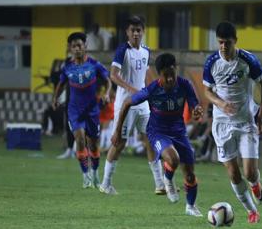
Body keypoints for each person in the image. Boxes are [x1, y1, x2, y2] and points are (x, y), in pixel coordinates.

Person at [111, 53, 204, 217]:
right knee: (173, 159)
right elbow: (126, 103)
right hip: (157, 132)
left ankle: (190, 207)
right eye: (165, 75)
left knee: (189, 173)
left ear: (176, 70)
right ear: (159, 74)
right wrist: (118, 130)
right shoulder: (152, 89)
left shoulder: (185, 85)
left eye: (172, 74)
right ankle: (167, 179)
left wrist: (197, 110)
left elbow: (194, 104)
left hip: (179, 133)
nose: (169, 79)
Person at [202, 21, 262, 224]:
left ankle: (255, 183)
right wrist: (220, 103)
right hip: (222, 124)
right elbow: (207, 91)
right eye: (220, 42)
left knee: (249, 172)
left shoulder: (248, 60)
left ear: (235, 41)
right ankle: (251, 210)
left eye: (227, 43)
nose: (223, 46)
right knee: (233, 172)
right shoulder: (212, 62)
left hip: (247, 120)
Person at [99, 15, 165, 195]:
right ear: (127, 32)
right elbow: (113, 75)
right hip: (125, 103)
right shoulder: (122, 50)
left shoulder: (146, 51)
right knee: (119, 143)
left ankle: (160, 184)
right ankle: (106, 184)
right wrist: (132, 89)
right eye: (132, 30)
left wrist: (152, 90)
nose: (136, 33)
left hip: (142, 104)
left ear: (143, 32)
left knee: (151, 140)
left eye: (139, 30)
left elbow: (145, 74)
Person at [52, 32, 112, 188]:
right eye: (74, 46)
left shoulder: (95, 64)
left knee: (93, 144)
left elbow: (107, 80)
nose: (77, 49)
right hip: (74, 110)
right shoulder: (67, 68)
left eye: (79, 45)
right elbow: (61, 85)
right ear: (70, 49)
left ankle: (95, 173)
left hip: (92, 110)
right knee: (79, 139)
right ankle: (85, 175)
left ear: (85, 46)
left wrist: (106, 93)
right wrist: (55, 98)